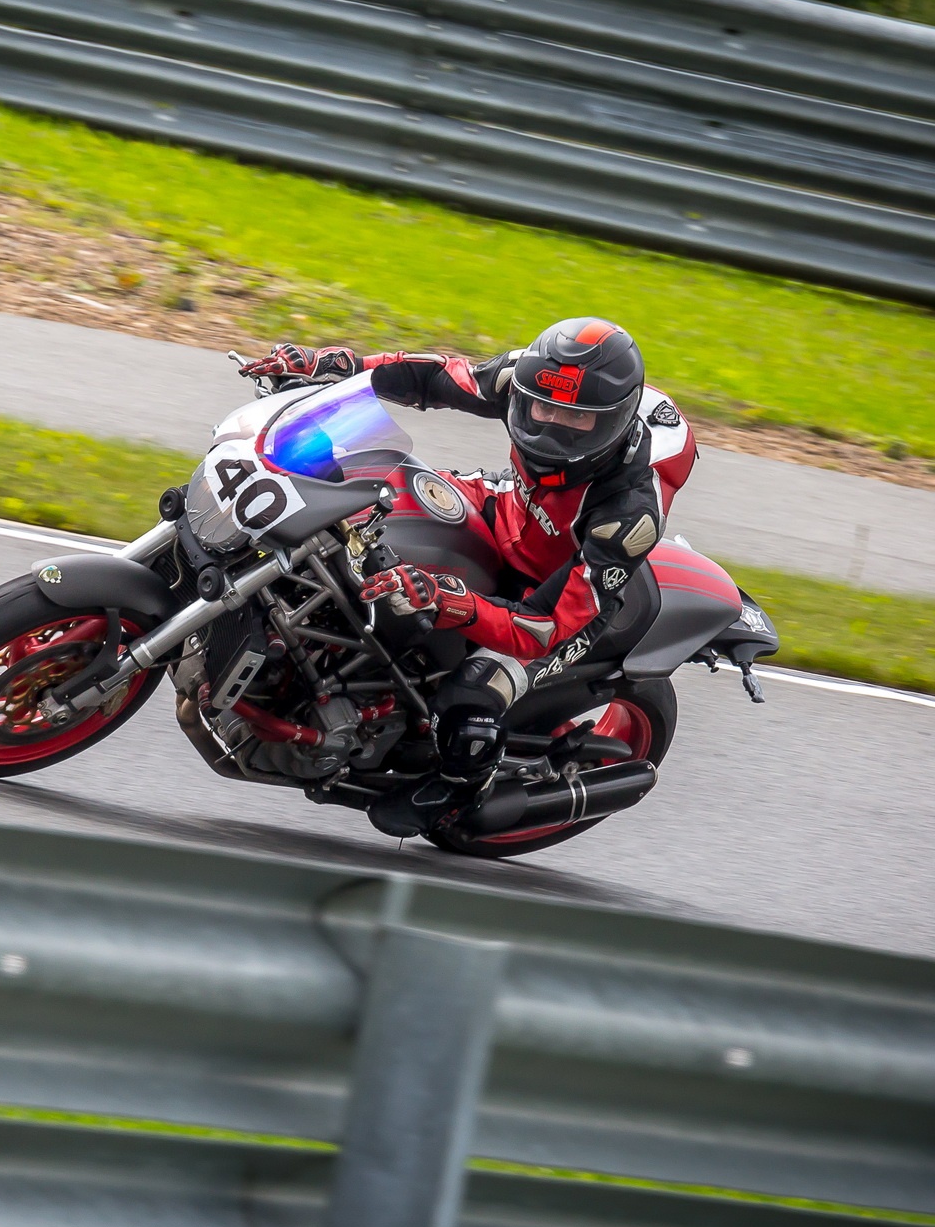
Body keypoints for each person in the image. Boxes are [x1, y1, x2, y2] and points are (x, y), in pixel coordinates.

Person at [238, 318, 696, 839]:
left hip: (566, 590)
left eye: (574, 419)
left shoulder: (629, 513)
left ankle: (459, 787)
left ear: (613, 422)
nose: (550, 428)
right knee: (369, 497)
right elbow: (435, 376)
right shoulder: (530, 378)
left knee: (471, 696)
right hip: (511, 506)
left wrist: (447, 599)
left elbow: (544, 625)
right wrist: (338, 367)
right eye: (541, 410)